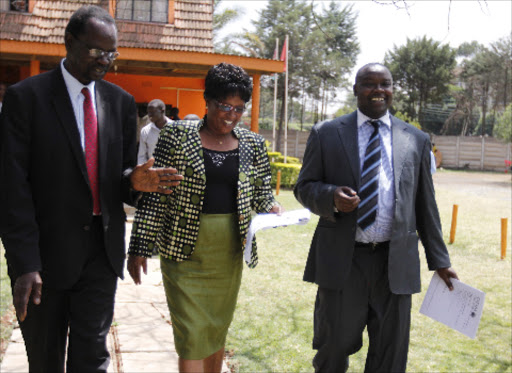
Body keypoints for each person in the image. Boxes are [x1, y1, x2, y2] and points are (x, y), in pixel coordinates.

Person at [0, 6, 182, 372]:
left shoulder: (120, 103)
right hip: (44, 259)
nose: (106, 61)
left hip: (101, 255)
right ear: (69, 42)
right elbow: (11, 187)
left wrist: (134, 182)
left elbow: (120, 175)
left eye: (112, 53)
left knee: (92, 359)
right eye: (97, 51)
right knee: (45, 360)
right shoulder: (26, 99)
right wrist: (25, 264)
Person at [294, 62, 458, 373]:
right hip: (344, 260)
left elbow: (426, 204)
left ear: (393, 90)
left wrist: (440, 260)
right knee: (333, 346)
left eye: (385, 84)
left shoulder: (416, 140)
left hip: (395, 263)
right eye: (369, 83)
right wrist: (330, 197)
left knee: (390, 355)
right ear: (355, 89)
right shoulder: (326, 134)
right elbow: (303, 187)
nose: (378, 90)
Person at [127, 62, 282, 373]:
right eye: (224, 106)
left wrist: (272, 207)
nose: (231, 115)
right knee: (191, 335)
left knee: (215, 328)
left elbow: (263, 192)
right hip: (183, 253)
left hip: (227, 254)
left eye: (239, 109)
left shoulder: (253, 143)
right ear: (207, 100)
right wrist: (140, 246)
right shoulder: (176, 135)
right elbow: (156, 192)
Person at [137, 99, 172, 164]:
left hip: (171, 172)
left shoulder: (175, 128)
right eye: (148, 112)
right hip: (152, 171)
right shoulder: (145, 131)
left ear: (162, 111)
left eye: (152, 112)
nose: (149, 115)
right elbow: (142, 156)